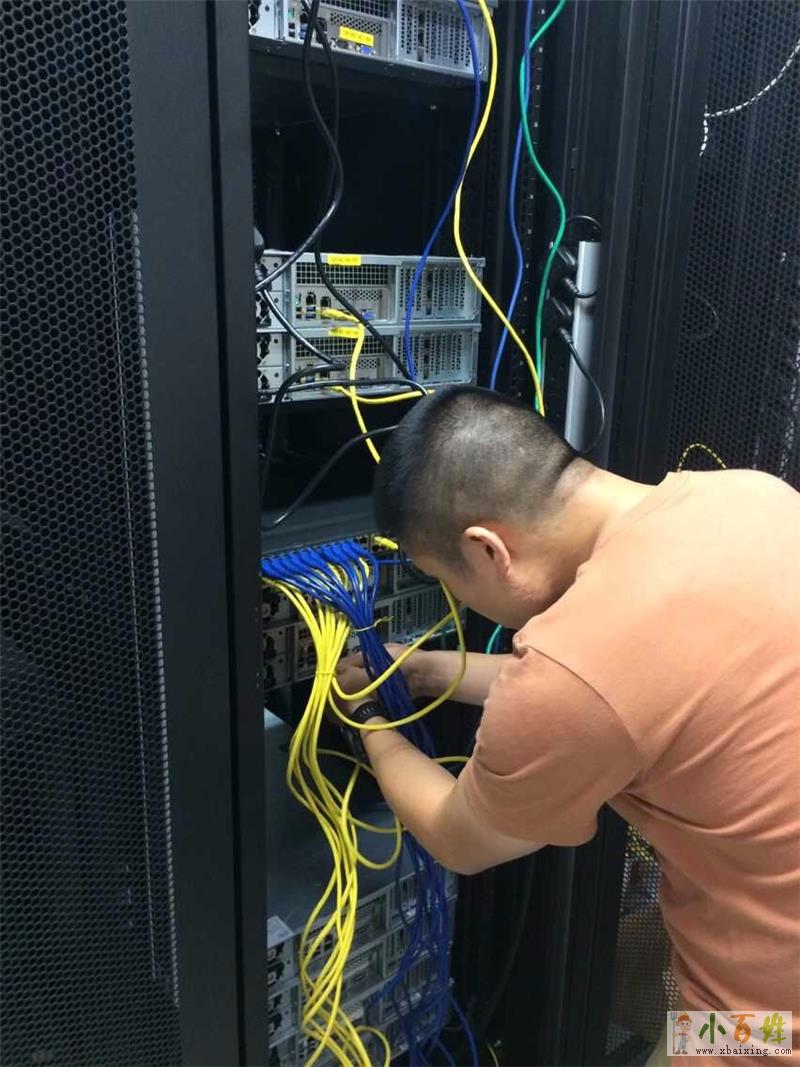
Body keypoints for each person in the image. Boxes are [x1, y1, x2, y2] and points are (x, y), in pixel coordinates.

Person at [335, 385, 800, 1059]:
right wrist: (428, 670)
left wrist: (368, 719)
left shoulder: (574, 673)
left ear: (488, 550)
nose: (460, 600)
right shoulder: (750, 497)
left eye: (448, 581)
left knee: (695, 1035)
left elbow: (458, 836)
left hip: (774, 1025)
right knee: (616, 974)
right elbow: (620, 690)